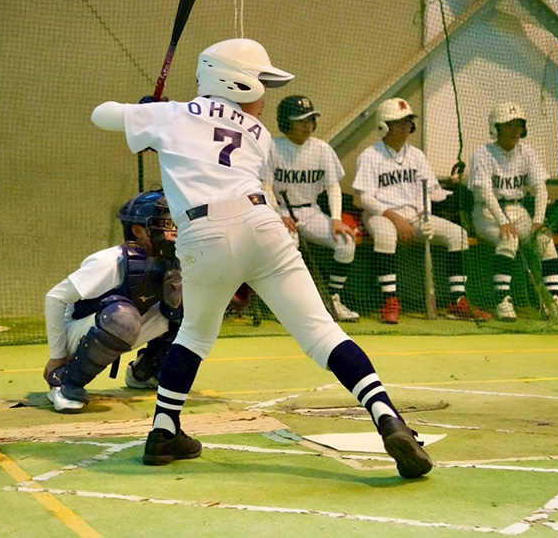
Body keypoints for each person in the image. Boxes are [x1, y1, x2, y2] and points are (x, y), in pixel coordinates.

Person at [90, 38, 432, 479]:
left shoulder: (171, 114)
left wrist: (144, 111)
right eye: (260, 84)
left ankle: (162, 430)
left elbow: (101, 114)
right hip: (261, 224)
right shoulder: (258, 136)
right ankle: (388, 417)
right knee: (320, 332)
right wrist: (158, 116)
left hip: (203, 234)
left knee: (193, 335)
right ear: (235, 83)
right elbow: (229, 164)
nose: (263, 96)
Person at [352, 97, 491, 324]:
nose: (407, 126)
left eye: (409, 121)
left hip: (414, 214)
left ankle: (458, 302)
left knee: (459, 235)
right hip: (380, 214)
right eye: (400, 122)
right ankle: (390, 301)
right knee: (386, 235)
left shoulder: (416, 155)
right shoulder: (370, 155)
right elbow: (365, 197)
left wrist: (425, 215)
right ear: (385, 125)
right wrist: (395, 218)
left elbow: (427, 190)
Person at [44, 190, 183, 412]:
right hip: (86, 330)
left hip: (124, 325)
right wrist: (57, 356)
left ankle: (143, 372)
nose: (173, 231)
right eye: (165, 224)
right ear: (138, 230)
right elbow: (54, 298)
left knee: (188, 308)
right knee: (122, 317)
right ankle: (64, 383)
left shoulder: (175, 260)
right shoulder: (111, 260)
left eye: (175, 223)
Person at [468, 103, 558, 322]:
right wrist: (503, 222)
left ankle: (553, 300)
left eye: (519, 125)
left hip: (518, 209)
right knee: (508, 239)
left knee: (545, 241)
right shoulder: (483, 154)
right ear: (497, 128)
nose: (516, 130)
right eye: (510, 125)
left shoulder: (527, 153)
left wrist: (538, 220)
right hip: (487, 212)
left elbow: (541, 189)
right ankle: (501, 299)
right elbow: (485, 193)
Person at [263, 95, 360, 322]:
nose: (308, 126)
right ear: (286, 123)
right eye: (301, 121)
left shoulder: (322, 149)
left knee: (346, 242)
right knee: (289, 243)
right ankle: (288, 304)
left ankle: (333, 300)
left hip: (310, 211)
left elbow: (333, 187)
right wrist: (278, 214)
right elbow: (265, 186)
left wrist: (336, 219)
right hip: (280, 212)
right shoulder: (272, 148)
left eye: (310, 120)